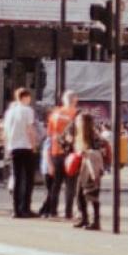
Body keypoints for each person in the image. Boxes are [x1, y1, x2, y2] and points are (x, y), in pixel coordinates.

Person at [43, 91, 81, 220]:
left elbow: (49, 135)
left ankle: (53, 211)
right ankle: (68, 212)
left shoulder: (55, 114)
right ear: (74, 100)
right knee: (70, 184)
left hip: (56, 152)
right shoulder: (76, 114)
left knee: (56, 184)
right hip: (71, 153)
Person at [2, 88, 40, 218]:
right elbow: (30, 129)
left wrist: (7, 147)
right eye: (29, 97)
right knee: (29, 178)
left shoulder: (9, 112)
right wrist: (34, 145)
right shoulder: (27, 110)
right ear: (25, 97)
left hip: (13, 147)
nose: (30, 100)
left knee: (17, 178)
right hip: (26, 146)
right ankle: (25, 207)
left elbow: (6, 132)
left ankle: (16, 209)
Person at [73, 113, 107, 231]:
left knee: (92, 194)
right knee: (79, 194)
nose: (76, 123)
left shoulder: (94, 136)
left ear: (84, 123)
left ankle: (96, 221)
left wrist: (88, 152)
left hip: (93, 167)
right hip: (84, 166)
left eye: (78, 121)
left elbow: (100, 150)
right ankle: (84, 218)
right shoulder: (80, 135)